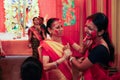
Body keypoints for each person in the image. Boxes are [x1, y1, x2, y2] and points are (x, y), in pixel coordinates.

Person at [69, 12, 120, 80]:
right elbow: (84, 53)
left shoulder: (100, 49)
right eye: (86, 26)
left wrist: (70, 58)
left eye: (90, 28)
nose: (86, 30)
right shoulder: (94, 41)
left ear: (100, 32)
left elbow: (81, 67)